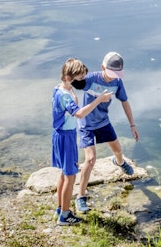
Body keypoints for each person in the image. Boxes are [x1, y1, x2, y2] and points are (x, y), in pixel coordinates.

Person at [75, 51, 140, 213]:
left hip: (103, 122)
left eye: (116, 74)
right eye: (110, 73)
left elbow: (124, 102)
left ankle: (118, 162)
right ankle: (80, 196)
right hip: (86, 124)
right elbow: (71, 82)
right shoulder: (90, 79)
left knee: (118, 150)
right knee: (90, 160)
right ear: (102, 67)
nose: (112, 77)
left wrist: (132, 125)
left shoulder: (117, 82)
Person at [52, 59, 112, 225]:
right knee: (70, 177)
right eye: (80, 78)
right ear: (69, 77)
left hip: (64, 134)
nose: (83, 81)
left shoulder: (59, 89)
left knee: (65, 174)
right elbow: (79, 114)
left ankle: (60, 209)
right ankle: (65, 216)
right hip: (65, 137)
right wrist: (99, 99)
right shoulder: (65, 96)